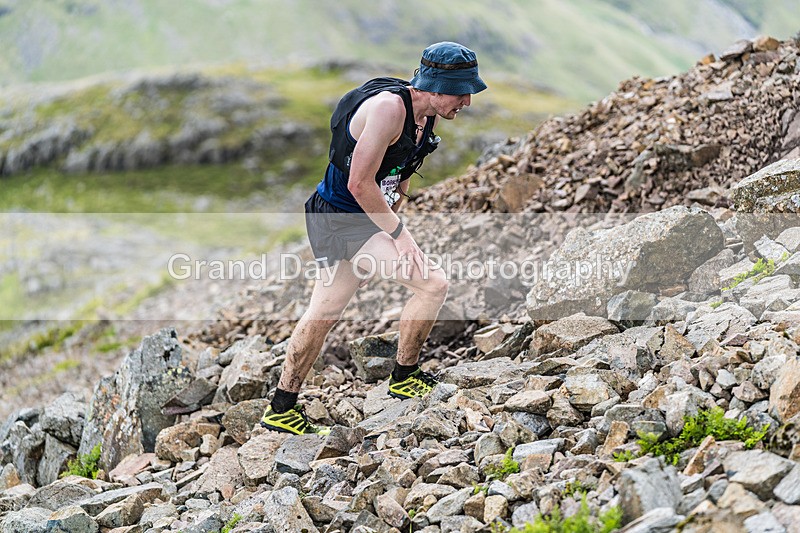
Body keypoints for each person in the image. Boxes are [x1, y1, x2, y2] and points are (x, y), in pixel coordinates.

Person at [260, 42, 487, 435]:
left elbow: (395, 173)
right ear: (435, 86)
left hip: (353, 219)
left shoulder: (424, 113)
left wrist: (385, 228)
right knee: (433, 284)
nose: (467, 100)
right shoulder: (388, 109)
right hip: (342, 219)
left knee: (325, 311)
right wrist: (399, 236)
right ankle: (404, 377)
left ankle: (281, 406)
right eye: (461, 91)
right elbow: (360, 183)